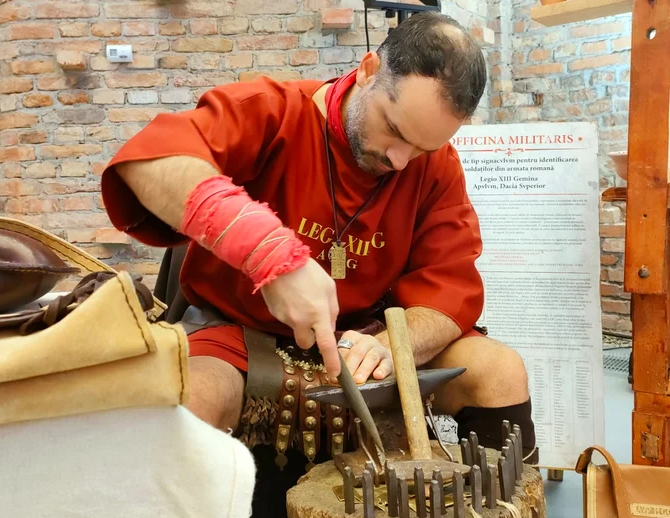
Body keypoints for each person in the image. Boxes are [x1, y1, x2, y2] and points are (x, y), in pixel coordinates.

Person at [100, 12, 536, 457]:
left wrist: (391, 345)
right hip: (241, 335)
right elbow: (148, 162)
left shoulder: (435, 166)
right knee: (187, 402)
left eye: (423, 148)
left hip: (367, 339)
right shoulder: (274, 111)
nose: (401, 161)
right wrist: (268, 256)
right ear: (368, 71)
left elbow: (449, 291)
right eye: (394, 130)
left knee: (499, 370)